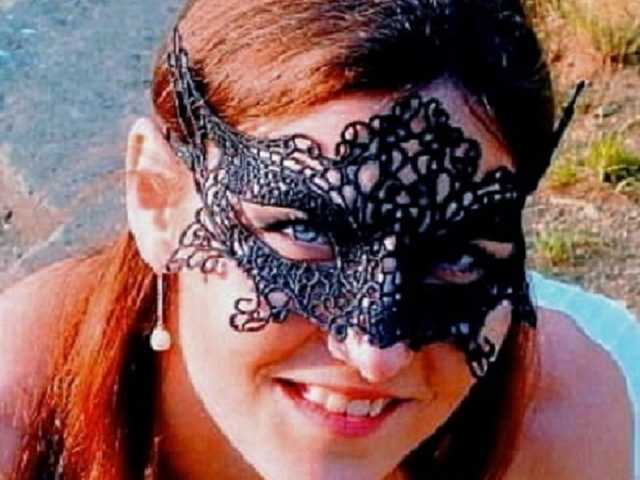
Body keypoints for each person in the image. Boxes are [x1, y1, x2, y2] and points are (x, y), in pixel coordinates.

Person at [0, 0, 635, 478]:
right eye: (304, 231)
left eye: (458, 254)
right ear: (157, 199)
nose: (376, 353)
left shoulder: (558, 427)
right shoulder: (18, 433)